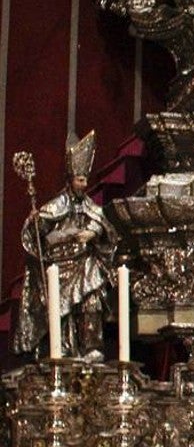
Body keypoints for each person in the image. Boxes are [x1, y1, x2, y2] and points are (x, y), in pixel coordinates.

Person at [14, 131, 116, 361]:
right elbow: (37, 235)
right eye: (80, 179)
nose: (84, 184)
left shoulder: (89, 205)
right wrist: (37, 223)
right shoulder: (57, 205)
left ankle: (91, 347)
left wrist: (93, 232)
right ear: (70, 179)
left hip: (83, 262)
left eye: (86, 179)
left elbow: (104, 225)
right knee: (60, 309)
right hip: (59, 267)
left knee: (92, 298)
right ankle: (63, 349)